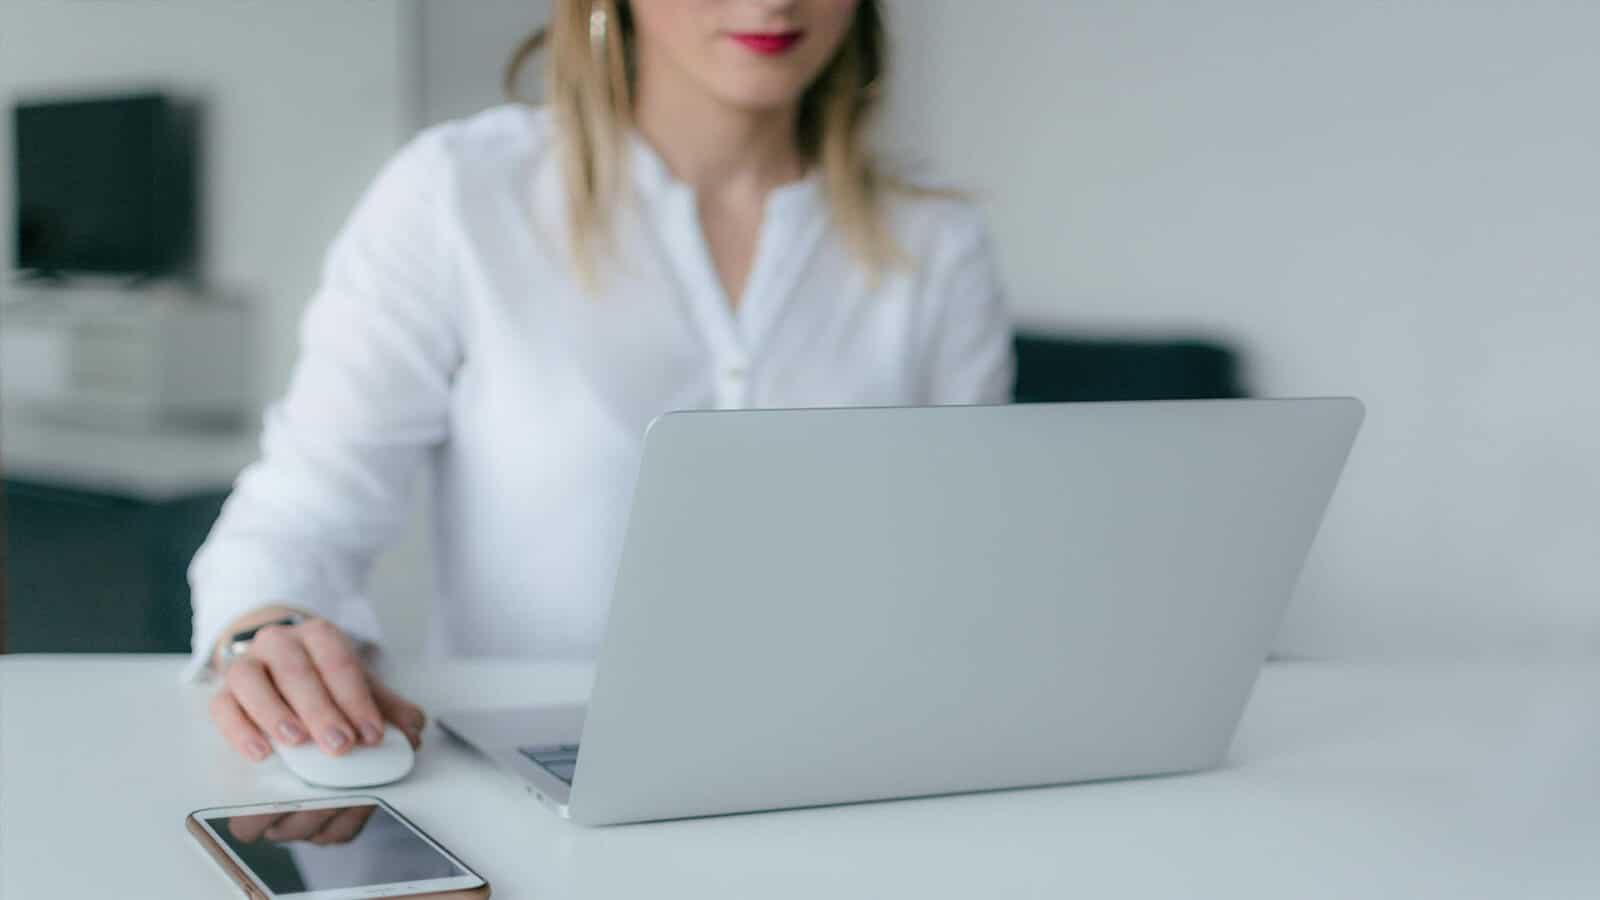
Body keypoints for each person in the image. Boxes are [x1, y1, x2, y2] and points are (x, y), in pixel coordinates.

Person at [191, 0, 1015, 764]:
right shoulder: (459, 193)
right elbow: (300, 516)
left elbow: (970, 563)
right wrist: (266, 627)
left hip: (848, 766)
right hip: (533, 771)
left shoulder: (937, 241)